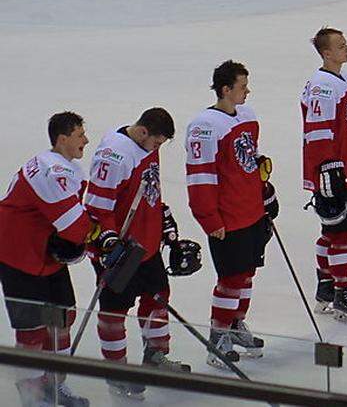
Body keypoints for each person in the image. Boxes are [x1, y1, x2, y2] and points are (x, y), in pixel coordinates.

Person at [85, 107, 195, 400]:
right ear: (143, 131)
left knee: (158, 296)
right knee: (114, 312)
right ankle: (117, 372)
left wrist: (162, 216)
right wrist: (108, 243)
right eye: (157, 142)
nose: (158, 148)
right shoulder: (114, 155)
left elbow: (149, 191)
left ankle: (155, 356)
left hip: (146, 245)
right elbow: (96, 209)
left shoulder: (146, 146)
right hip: (119, 251)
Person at [0, 112, 96, 407]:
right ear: (63, 139)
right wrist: (100, 238)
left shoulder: (65, 166)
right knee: (31, 329)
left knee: (62, 317)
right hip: (19, 257)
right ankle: (31, 397)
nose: (86, 140)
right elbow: (75, 227)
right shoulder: (52, 171)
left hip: (45, 254)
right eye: (80, 135)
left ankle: (53, 384)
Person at [185, 60, 273, 369]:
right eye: (242, 86)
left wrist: (266, 193)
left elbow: (250, 162)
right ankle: (217, 337)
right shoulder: (204, 127)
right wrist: (209, 219)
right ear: (226, 89)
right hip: (227, 217)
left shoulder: (247, 116)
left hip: (251, 211)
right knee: (230, 278)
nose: (247, 91)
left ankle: (235, 324)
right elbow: (200, 177)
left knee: (247, 273)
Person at [301, 28, 347, 324]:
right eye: (341, 46)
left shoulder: (345, 80)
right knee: (342, 234)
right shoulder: (322, 86)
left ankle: (326, 287)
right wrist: (328, 168)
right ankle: (343, 292)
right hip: (335, 172)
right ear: (326, 53)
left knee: (333, 232)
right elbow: (317, 133)